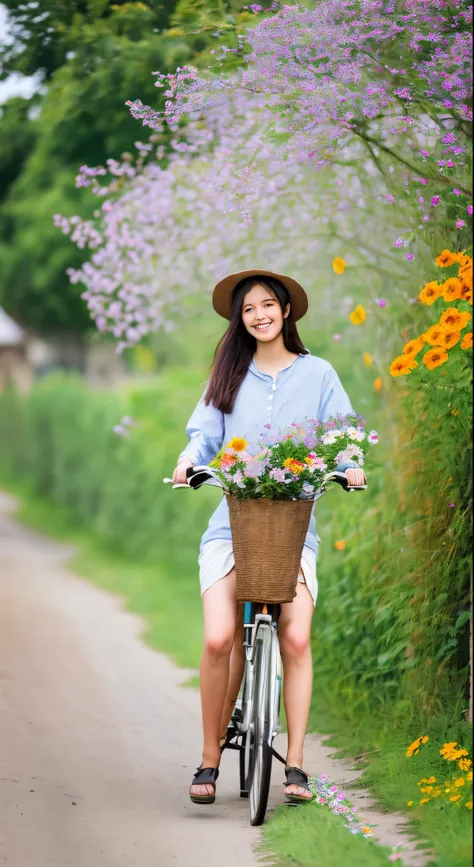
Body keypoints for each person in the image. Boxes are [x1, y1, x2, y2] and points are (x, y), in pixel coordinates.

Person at [172, 269, 366, 805]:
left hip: (293, 530)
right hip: (231, 529)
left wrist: (350, 466)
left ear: (285, 310)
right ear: (241, 319)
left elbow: (343, 432)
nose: (258, 315)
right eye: (248, 309)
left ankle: (297, 765)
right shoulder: (229, 373)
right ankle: (210, 758)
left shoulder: (319, 373)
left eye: (267, 305)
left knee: (296, 637)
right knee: (219, 638)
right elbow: (203, 436)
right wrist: (189, 463)